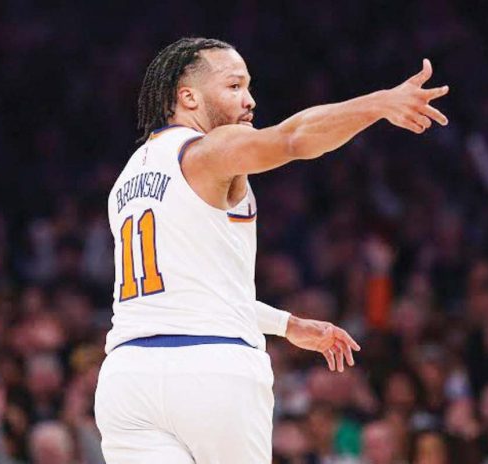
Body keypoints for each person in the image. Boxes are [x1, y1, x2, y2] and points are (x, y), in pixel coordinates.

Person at [94, 36, 449, 463]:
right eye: (234, 86)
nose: (249, 101)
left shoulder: (127, 180)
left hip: (127, 378)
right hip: (211, 369)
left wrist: (286, 324)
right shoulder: (209, 151)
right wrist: (378, 104)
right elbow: (294, 138)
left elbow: (185, 290)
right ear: (187, 96)